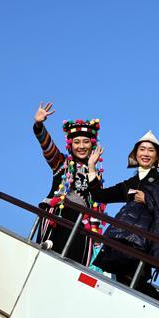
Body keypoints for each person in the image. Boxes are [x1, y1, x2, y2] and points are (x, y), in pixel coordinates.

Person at [88, 131, 159, 300]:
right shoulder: (130, 183)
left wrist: (147, 198)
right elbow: (100, 196)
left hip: (145, 243)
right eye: (142, 149)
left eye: (151, 150)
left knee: (137, 281)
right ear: (135, 154)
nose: (146, 153)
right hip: (123, 241)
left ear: (157, 156)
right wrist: (91, 168)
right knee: (124, 282)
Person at [32, 102, 106, 266]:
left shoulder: (96, 174)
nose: (81, 146)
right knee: (47, 262)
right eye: (77, 142)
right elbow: (47, 147)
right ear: (70, 145)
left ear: (92, 145)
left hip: (82, 228)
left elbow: (98, 202)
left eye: (86, 142)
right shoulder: (61, 163)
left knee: (74, 268)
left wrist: (92, 168)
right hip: (58, 220)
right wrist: (39, 125)